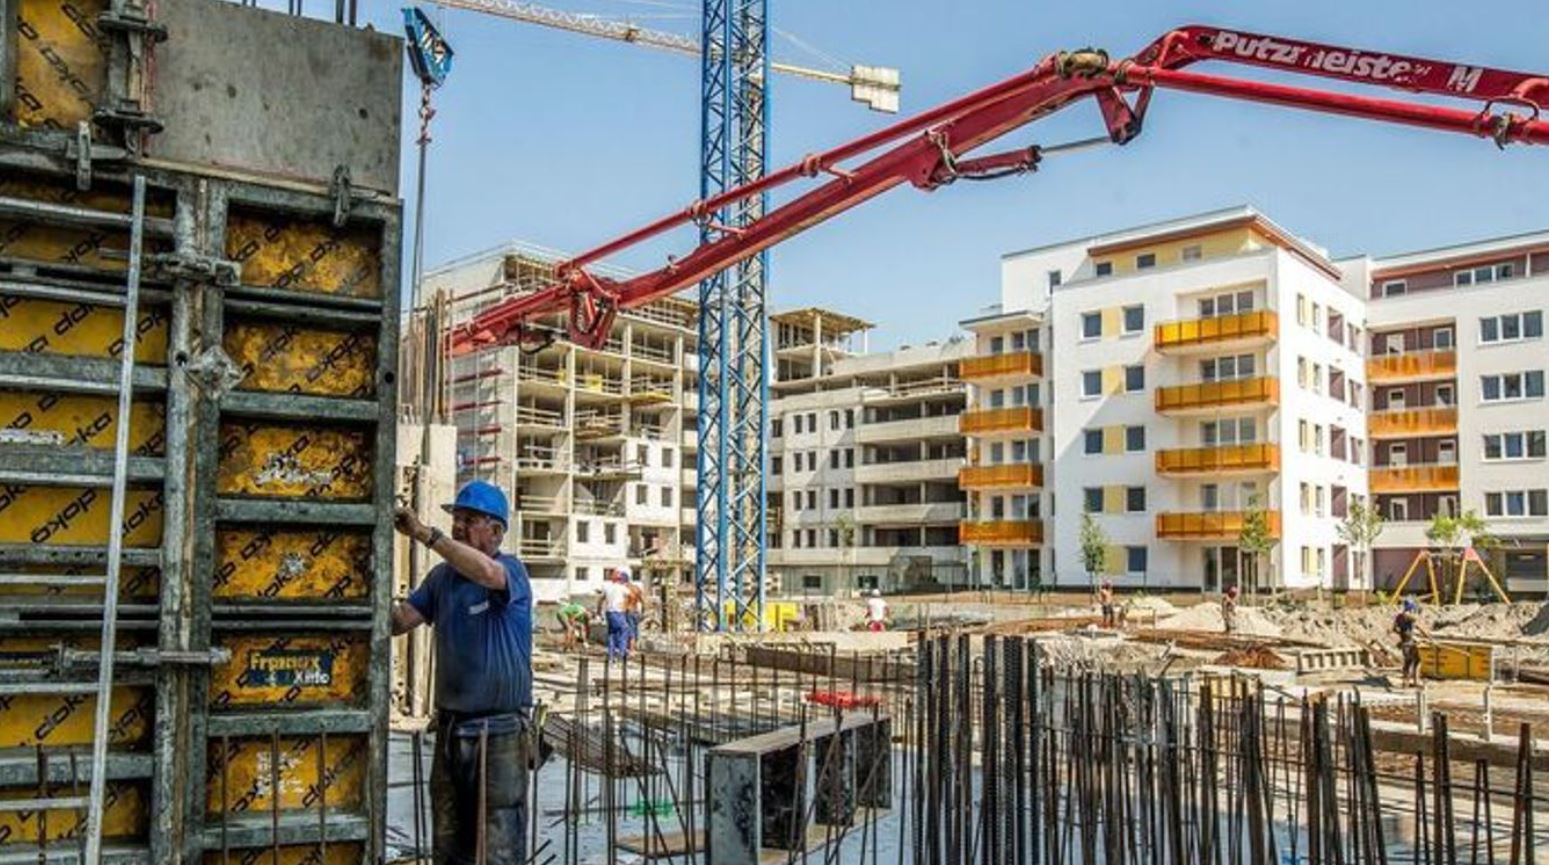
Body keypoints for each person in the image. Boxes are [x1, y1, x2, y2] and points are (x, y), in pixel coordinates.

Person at [390, 480, 533, 865]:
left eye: (469, 520)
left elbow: (486, 573)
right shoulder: (442, 580)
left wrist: (423, 533)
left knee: (499, 844)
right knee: (450, 842)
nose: (458, 526)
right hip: (453, 731)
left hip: (500, 732)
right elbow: (401, 620)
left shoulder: (510, 571)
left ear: (496, 531)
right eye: (456, 519)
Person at [597, 569, 632, 660]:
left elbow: (601, 600)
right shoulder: (622, 588)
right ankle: (621, 653)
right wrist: (626, 605)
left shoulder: (607, 587)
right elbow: (631, 595)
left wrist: (599, 611)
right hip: (618, 612)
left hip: (609, 613)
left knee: (612, 633)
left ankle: (611, 656)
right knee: (624, 630)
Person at [1395, 597, 1427, 688]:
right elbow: (1417, 623)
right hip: (1409, 643)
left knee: (1411, 661)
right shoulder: (1408, 615)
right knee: (1413, 662)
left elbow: (1395, 629)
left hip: (1405, 642)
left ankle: (1407, 682)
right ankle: (1410, 682)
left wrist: (1402, 634)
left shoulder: (1399, 617)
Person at [622, 567, 645, 653]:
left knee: (629, 630)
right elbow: (643, 601)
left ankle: (631, 649)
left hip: (628, 611)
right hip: (636, 611)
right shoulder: (636, 588)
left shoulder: (624, 589)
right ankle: (634, 647)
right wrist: (643, 612)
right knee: (635, 630)